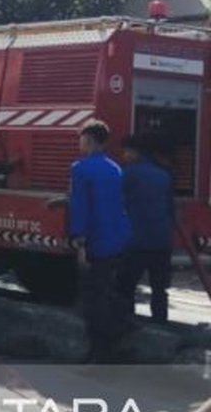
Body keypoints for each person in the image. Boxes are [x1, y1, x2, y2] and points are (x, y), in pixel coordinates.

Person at [68, 120, 133, 363]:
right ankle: (118, 336)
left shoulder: (81, 169)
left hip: (97, 242)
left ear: (89, 140)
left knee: (93, 299)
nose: (79, 143)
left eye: (81, 138)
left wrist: (80, 243)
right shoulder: (115, 168)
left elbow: (81, 208)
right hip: (119, 239)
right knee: (108, 292)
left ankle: (100, 353)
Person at [116, 132, 175, 324]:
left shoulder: (130, 173)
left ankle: (126, 321)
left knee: (126, 285)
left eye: (126, 152)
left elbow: (112, 199)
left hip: (136, 240)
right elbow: (170, 207)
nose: (124, 156)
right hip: (162, 241)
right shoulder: (164, 175)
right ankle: (160, 322)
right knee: (159, 287)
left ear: (135, 152)